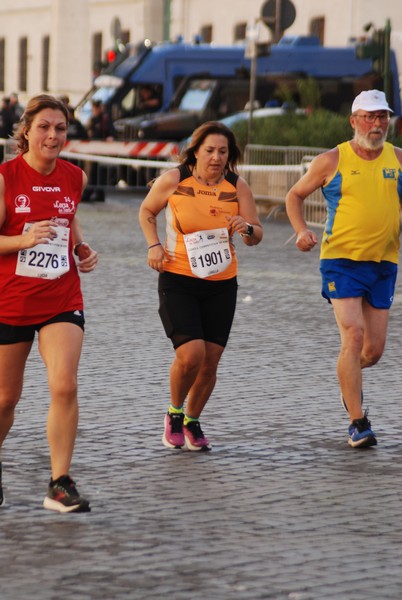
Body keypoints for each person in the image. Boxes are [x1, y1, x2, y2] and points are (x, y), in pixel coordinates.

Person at [285, 89, 402, 449]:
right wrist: (302, 230)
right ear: (354, 121)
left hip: (384, 262)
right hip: (341, 261)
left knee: (373, 351)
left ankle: (347, 381)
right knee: (352, 336)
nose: (377, 123)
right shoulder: (332, 159)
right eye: (369, 116)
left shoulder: (398, 158)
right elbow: (294, 196)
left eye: (382, 116)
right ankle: (357, 420)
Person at [139, 121, 263, 451]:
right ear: (196, 151)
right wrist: (153, 245)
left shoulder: (238, 187)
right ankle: (175, 413)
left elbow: (257, 235)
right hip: (178, 278)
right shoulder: (175, 180)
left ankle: (193, 420)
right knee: (191, 355)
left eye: (223, 151)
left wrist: (246, 227)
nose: (216, 157)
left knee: (210, 362)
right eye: (209, 150)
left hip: (221, 284)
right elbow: (147, 211)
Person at [0, 94, 98, 511]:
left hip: (61, 295)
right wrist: (24, 239)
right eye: (44, 127)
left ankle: (60, 483)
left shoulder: (74, 176)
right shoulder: (5, 177)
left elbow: (67, 215)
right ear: (26, 131)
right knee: (5, 398)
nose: (53, 135)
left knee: (65, 383)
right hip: (11, 301)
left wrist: (80, 247)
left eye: (60, 128)